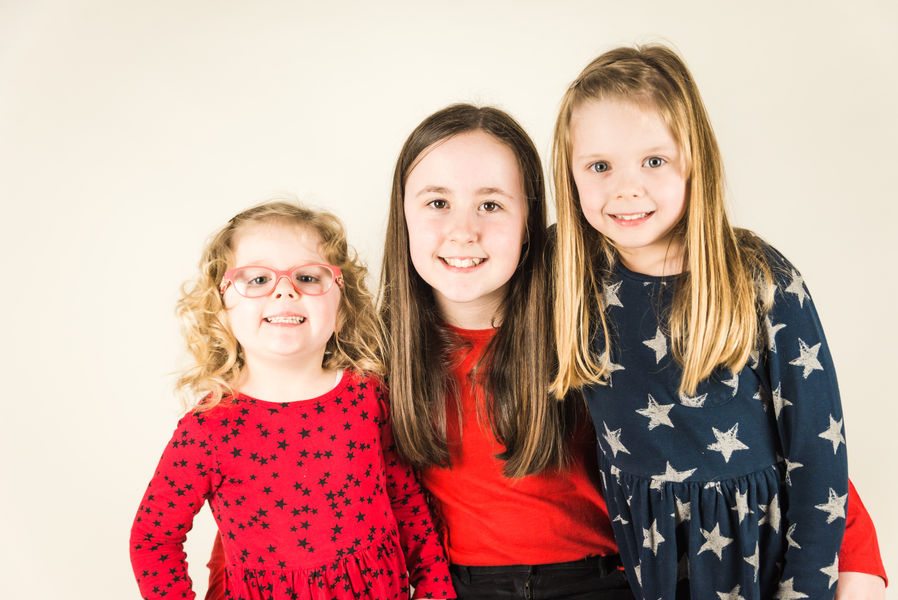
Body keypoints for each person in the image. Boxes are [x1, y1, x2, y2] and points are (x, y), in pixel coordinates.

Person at [204, 104, 885, 598]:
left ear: (532, 221)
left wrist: (855, 561)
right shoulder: (371, 354)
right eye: (436, 202)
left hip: (607, 581)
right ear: (402, 217)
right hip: (455, 587)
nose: (463, 231)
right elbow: (276, 483)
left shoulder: (596, 321)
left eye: (492, 204)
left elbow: (747, 439)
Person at [551, 44, 885, 599]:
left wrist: (806, 586)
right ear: (570, 175)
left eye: (654, 161)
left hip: (765, 553)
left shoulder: (760, 280)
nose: (626, 188)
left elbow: (818, 451)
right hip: (652, 560)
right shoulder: (572, 276)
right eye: (599, 166)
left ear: (694, 160)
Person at [129, 201, 454, 600]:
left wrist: (435, 587)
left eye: (307, 277)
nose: (285, 289)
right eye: (258, 279)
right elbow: (153, 538)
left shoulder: (367, 398)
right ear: (221, 308)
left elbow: (405, 499)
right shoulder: (208, 428)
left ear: (342, 306)